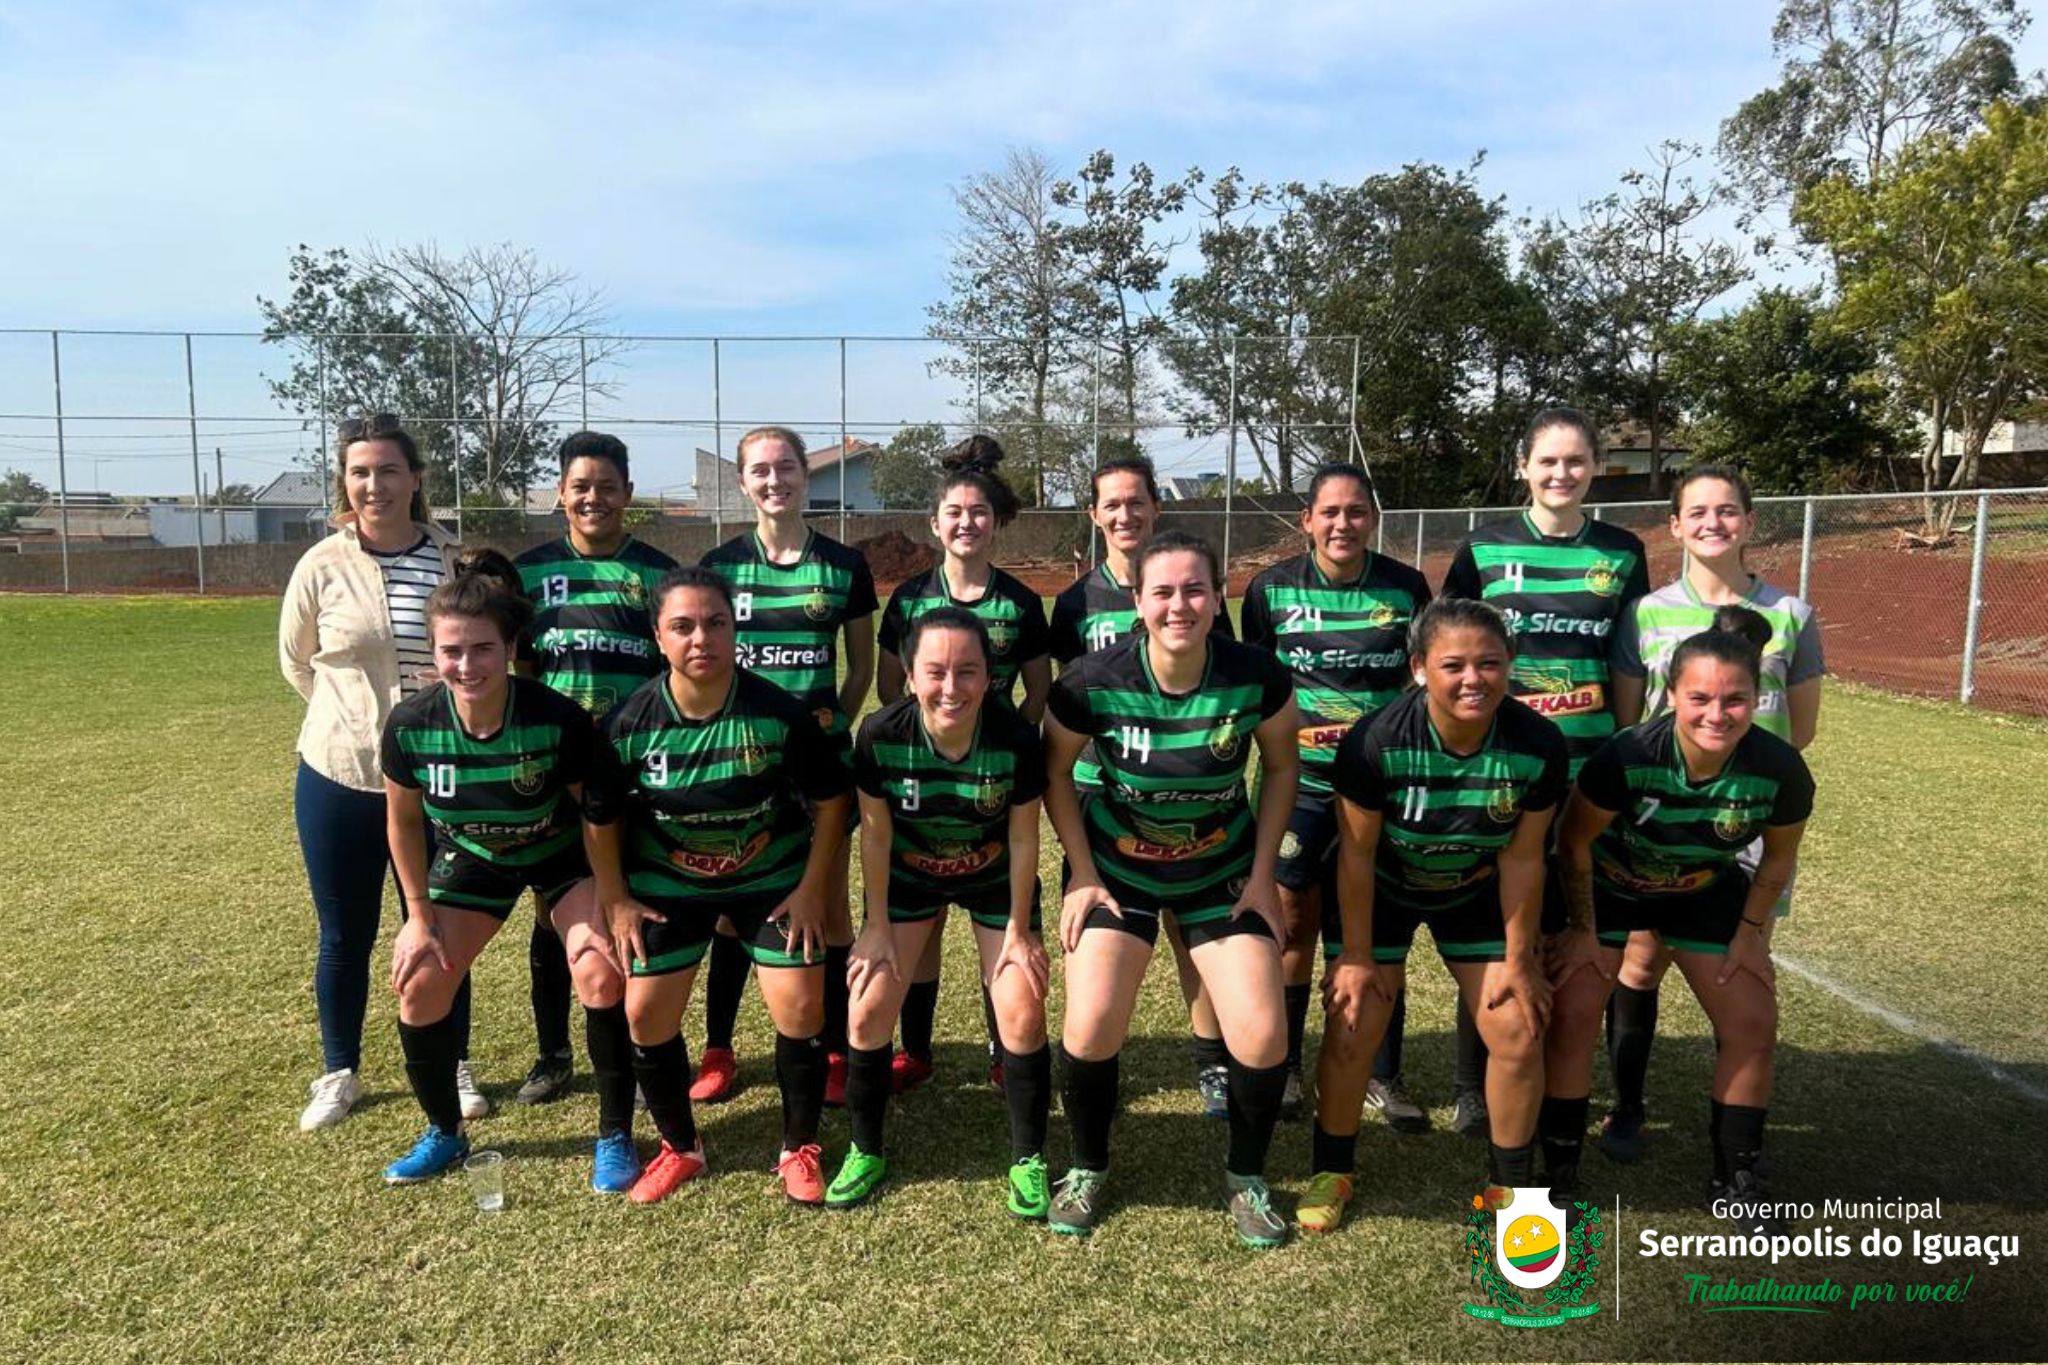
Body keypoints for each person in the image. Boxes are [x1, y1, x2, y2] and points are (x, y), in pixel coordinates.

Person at [1042, 530, 1300, 1247]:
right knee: (1091, 1025)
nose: (1179, 604)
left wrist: (1262, 876)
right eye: (1163, 591)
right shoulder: (1091, 680)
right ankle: (1088, 1166)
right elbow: (1055, 772)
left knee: (1262, 1031)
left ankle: (1247, 1178)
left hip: (1220, 871)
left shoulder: (1257, 676)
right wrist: (1083, 873)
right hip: (1117, 871)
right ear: (1138, 601)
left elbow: (1281, 767)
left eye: (1195, 589)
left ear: (1219, 596)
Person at [582, 567, 855, 1205]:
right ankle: (681, 1147)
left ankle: (799, 1146)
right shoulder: (627, 723)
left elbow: (833, 801)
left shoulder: (778, 713)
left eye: (715, 623)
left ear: (735, 631)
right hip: (668, 882)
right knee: (644, 1012)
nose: (700, 637)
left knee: (801, 1005)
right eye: (682, 626)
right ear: (658, 636)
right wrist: (617, 899)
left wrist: (814, 889)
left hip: (770, 876)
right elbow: (600, 817)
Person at [1300, 598, 1567, 1234]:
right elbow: (1356, 857)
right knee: (1354, 1017)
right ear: (1420, 668)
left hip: (1474, 888)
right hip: (1385, 888)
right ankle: (1331, 1170)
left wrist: (1520, 959)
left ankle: (1512, 1190)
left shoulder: (1539, 745)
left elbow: (1524, 859)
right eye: (1454, 665)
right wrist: (1356, 956)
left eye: (1489, 663)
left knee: (1519, 1027)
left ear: (1510, 667)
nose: (1473, 678)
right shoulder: (1376, 741)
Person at [1425, 408, 1649, 1144]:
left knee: (1577, 925)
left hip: (1587, 773)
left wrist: (1625, 754)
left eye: (1576, 461)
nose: (1562, 474)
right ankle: (1472, 1087)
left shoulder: (1621, 552)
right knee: (1496, 927)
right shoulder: (1485, 548)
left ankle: (1572, 1083)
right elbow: (1450, 644)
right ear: (1523, 465)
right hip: (1505, 770)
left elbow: (1627, 660)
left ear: (1594, 468)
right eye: (1547, 461)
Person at [1553, 608, 1814, 1232]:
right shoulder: (1628, 755)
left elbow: (1777, 860)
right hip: (1613, 889)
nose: (1716, 714)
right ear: (1671, 695)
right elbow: (1574, 844)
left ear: (1757, 698)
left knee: (1752, 1019)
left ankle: (1736, 1178)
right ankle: (1559, 1174)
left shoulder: (1779, 769)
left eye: (1735, 699)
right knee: (1575, 1008)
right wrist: (1584, 930)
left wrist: (1750, 937)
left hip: (1702, 892)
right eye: (1698, 697)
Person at [377, 572, 639, 1190]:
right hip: (475, 857)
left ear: (511, 647)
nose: (467, 664)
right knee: (418, 983)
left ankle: (615, 1134)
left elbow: (598, 816)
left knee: (600, 973)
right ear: (434, 651)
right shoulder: (411, 724)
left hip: (561, 852)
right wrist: (418, 917)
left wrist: (609, 898)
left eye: (482, 648)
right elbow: (403, 822)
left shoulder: (556, 719)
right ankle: (444, 1131)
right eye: (451, 650)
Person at [1595, 466, 1824, 1164]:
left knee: (1741, 966)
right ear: (1674, 526)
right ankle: (1628, 1106)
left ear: (1750, 522)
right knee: (1641, 958)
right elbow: (1630, 722)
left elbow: (1801, 729)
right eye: (1697, 511)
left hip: (1746, 821)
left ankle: (1730, 1140)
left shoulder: (1792, 614)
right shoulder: (1646, 611)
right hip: (1661, 824)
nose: (1713, 522)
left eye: (1728, 510)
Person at [279, 413, 484, 1131]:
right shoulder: (321, 564)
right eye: (360, 472)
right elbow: (296, 661)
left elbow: (473, 654)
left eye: (388, 470)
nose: (374, 484)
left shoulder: (452, 561)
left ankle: (452, 1061)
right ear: (346, 481)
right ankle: (339, 1071)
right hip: (338, 775)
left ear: (416, 479)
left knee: (436, 928)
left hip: (436, 783)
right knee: (344, 931)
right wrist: (356, 721)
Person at [833, 607, 1053, 1214]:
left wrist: (1017, 930)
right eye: (935, 672)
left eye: (967, 672)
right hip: (909, 879)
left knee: (1022, 1009)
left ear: (989, 678)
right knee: (868, 1007)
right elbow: (874, 836)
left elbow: (1023, 839)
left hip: (993, 883)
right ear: (909, 675)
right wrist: (875, 927)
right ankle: (866, 1148)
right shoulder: (879, 734)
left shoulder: (1013, 738)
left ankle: (1029, 1155)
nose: (950, 688)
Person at [1239, 461, 1431, 1125]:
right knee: (1291, 922)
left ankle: (1383, 1072)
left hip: (1378, 793)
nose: (1343, 523)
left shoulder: (1407, 588)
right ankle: (1288, 1066)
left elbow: (1420, 687)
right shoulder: (1269, 590)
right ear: (1308, 521)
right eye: (1331, 512)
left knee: (1372, 931)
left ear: (1371, 519)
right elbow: (1257, 689)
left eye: (1356, 511)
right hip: (1299, 788)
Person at [1048, 455, 1237, 1120]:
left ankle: (1213, 1058)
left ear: (1156, 507)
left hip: (1184, 794)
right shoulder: (1074, 602)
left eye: (1137, 502)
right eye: (1112, 504)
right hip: (1103, 796)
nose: (1125, 514)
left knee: (1194, 931)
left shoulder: (1194, 588)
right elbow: (1065, 699)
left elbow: (1222, 689)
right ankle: (1098, 1059)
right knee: (1098, 935)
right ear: (1094, 515)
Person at [699, 427, 877, 1107]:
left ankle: (831, 1047)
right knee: (728, 910)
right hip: (740, 764)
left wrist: (826, 726)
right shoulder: (721, 565)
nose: (774, 480)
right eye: (759, 470)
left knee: (828, 907)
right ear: (743, 483)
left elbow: (859, 665)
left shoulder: (843, 565)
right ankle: (719, 1048)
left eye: (786, 468)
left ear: (806, 476)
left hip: (816, 769)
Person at [874, 435, 1051, 1093]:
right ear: (935, 523)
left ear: (996, 522)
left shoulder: (1020, 603)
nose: (967, 523)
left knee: (994, 916)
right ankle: (914, 1050)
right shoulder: (909, 600)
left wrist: (1009, 750)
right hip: (920, 782)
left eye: (979, 513)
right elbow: (890, 687)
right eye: (955, 513)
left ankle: (1005, 1049)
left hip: (992, 787)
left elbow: (1039, 688)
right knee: (919, 919)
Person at [509, 431, 679, 1108]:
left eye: (607, 486)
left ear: (628, 496)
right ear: (560, 494)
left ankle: (640, 1051)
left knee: (630, 907)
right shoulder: (528, 575)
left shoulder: (657, 575)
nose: (594, 498)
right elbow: (520, 671)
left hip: (630, 769)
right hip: (553, 772)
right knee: (554, 913)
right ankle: (553, 1054)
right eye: (581, 486)